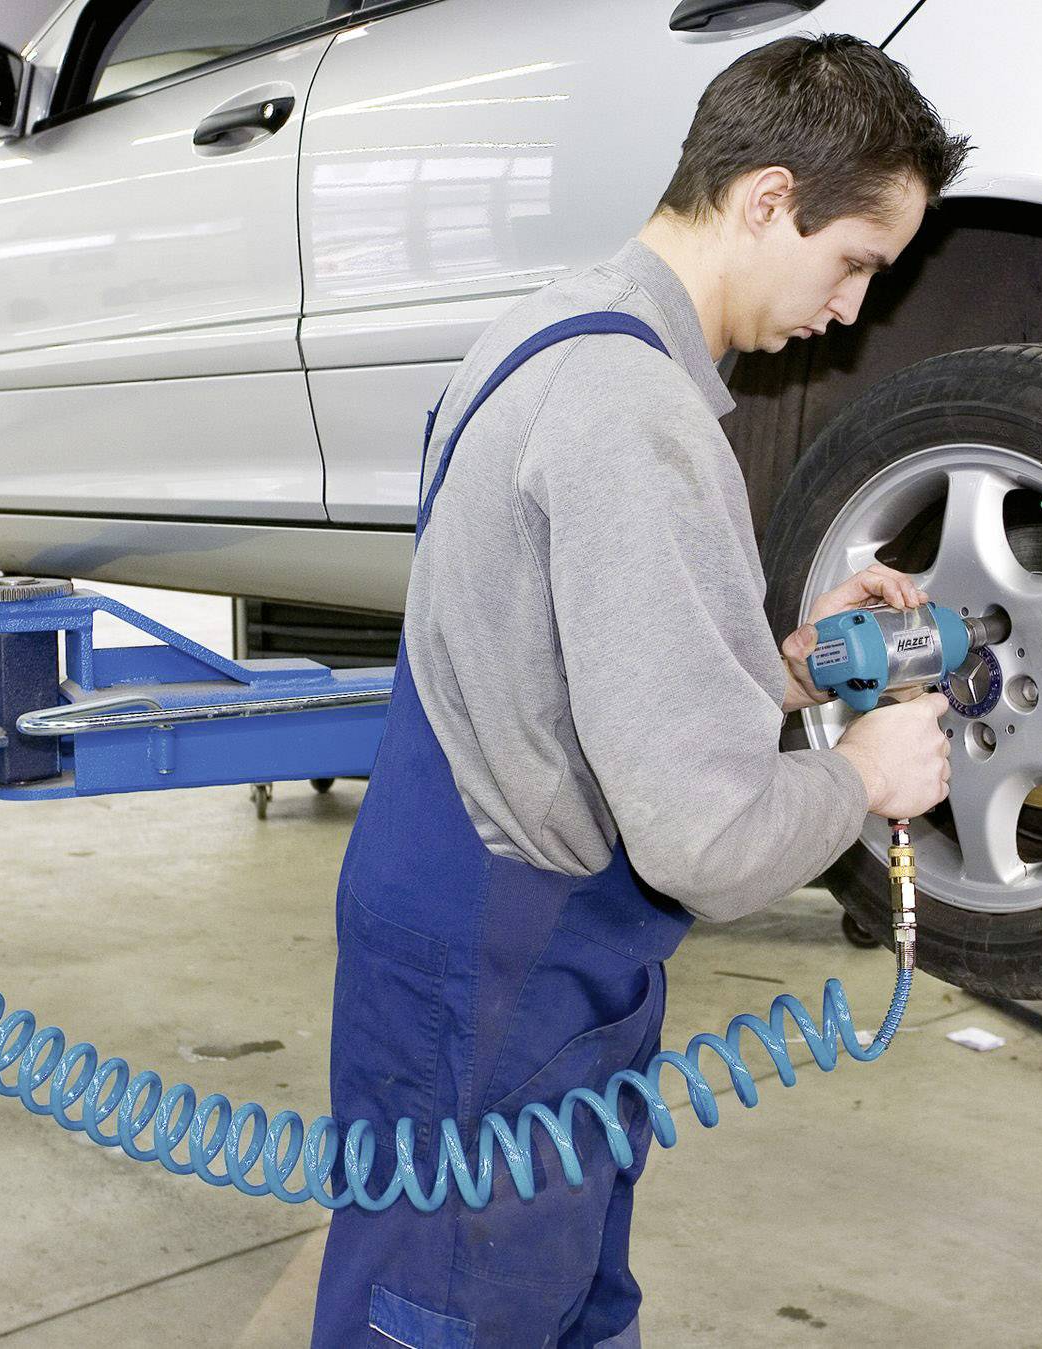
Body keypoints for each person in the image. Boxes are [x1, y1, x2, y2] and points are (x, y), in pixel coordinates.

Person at [311, 34, 970, 1348]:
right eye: (854, 265)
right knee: (455, 1318)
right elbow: (711, 845)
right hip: (511, 982)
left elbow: (553, 666)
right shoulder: (637, 411)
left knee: (548, 1306)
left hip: (473, 950)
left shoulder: (551, 330)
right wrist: (865, 776)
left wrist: (779, 669)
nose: (850, 311)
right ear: (770, 199)